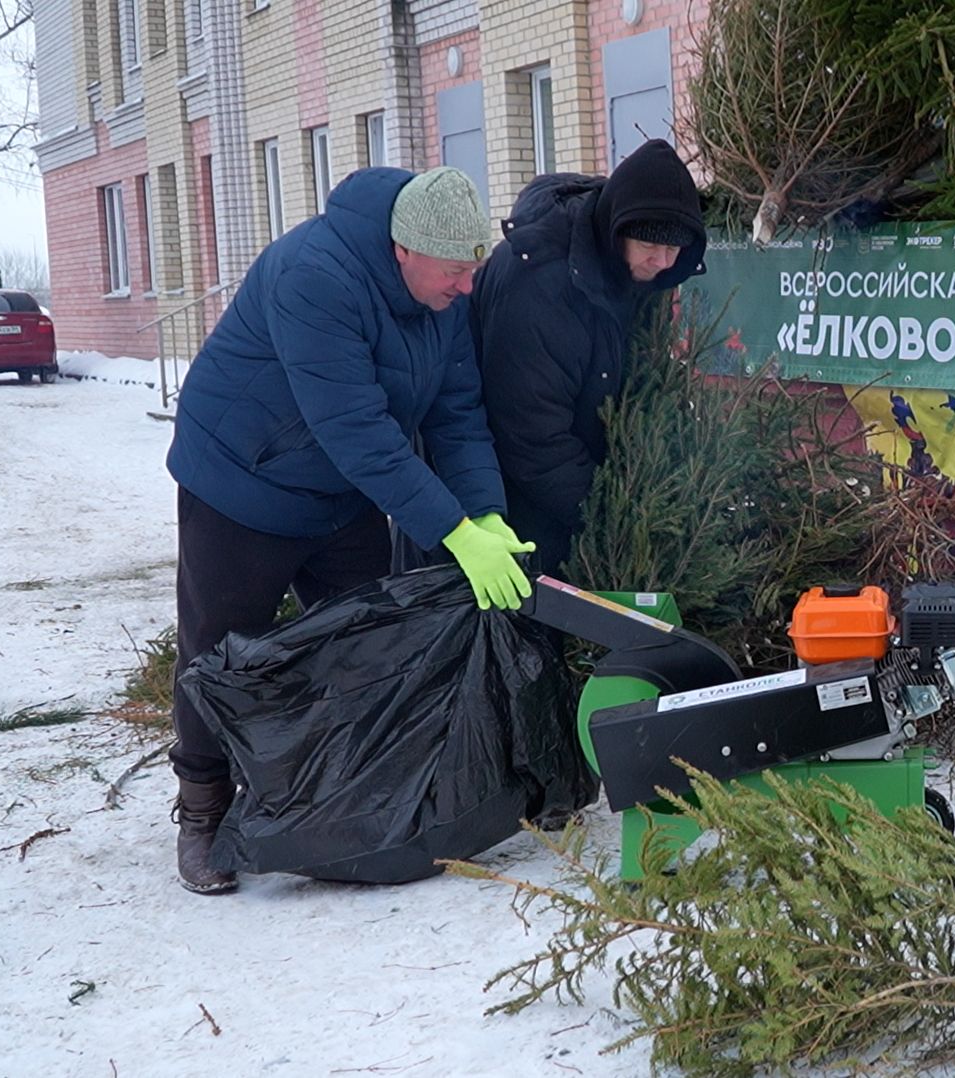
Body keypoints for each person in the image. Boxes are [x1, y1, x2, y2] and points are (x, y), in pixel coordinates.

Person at [164, 166, 536, 895]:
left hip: (341, 491)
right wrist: (454, 533)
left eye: (473, 270)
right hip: (243, 479)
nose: (467, 288)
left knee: (369, 642)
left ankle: (342, 800)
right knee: (218, 648)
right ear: (405, 250)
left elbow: (457, 415)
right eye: (455, 272)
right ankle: (202, 810)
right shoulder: (314, 275)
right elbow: (357, 431)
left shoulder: (441, 296)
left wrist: (484, 513)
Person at [470, 138, 707, 577]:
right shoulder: (541, 281)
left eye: (675, 250)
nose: (662, 261)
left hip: (564, 489)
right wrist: (609, 516)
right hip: (504, 511)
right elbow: (531, 436)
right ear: (617, 229)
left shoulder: (640, 274)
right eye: (650, 246)